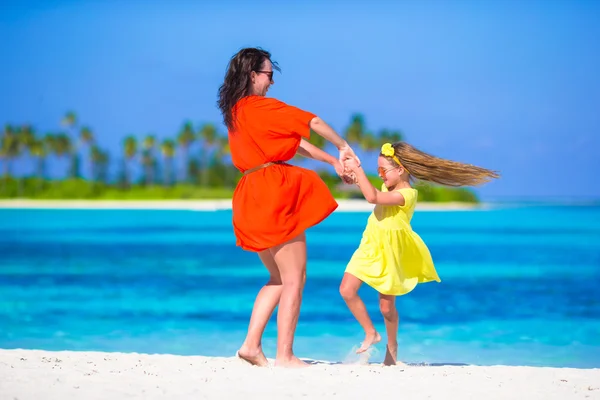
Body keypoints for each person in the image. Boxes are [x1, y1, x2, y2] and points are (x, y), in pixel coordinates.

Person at [217, 47, 358, 368]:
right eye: (269, 74)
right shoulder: (262, 106)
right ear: (253, 76)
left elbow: (295, 142)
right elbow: (313, 121)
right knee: (295, 277)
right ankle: (285, 355)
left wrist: (332, 161)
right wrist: (343, 146)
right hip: (272, 192)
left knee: (278, 277)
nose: (272, 82)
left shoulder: (237, 112)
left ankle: (251, 346)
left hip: (249, 194)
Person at [340, 141, 499, 366]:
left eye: (383, 171)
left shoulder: (407, 194)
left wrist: (357, 170)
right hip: (370, 244)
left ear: (401, 170)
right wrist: (354, 178)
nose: (380, 175)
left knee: (386, 307)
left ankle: (392, 350)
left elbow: (373, 198)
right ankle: (371, 333)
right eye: (377, 171)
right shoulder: (388, 186)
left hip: (391, 252)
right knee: (346, 290)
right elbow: (373, 192)